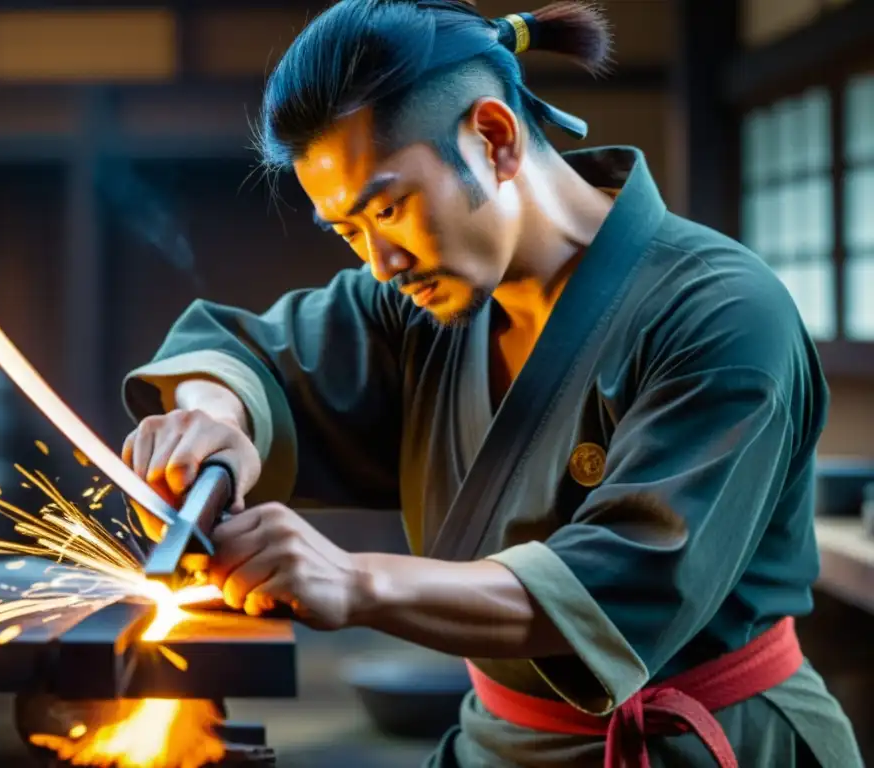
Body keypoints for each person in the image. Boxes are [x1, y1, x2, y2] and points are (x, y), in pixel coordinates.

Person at [119, 1, 862, 765]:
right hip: (502, 743)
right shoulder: (418, 309)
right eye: (349, 232)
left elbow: (622, 581)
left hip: (709, 745)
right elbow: (250, 353)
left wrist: (355, 582)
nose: (381, 262)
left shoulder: (723, 312)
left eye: (389, 208)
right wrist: (213, 418)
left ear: (494, 139)